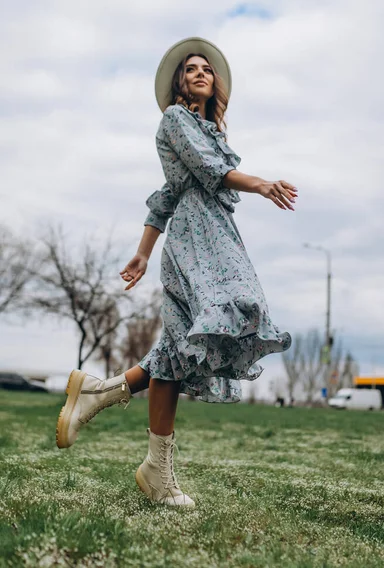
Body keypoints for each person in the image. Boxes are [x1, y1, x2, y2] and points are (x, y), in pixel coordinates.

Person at [56, 37, 297, 508]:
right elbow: (206, 175)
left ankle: (110, 409)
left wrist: (143, 252)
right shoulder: (175, 121)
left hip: (218, 235)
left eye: (207, 68)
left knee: (179, 346)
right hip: (194, 238)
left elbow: (166, 193)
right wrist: (262, 184)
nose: (200, 72)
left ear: (216, 83)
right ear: (179, 82)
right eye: (190, 69)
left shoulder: (211, 132)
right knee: (236, 308)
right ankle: (131, 438)